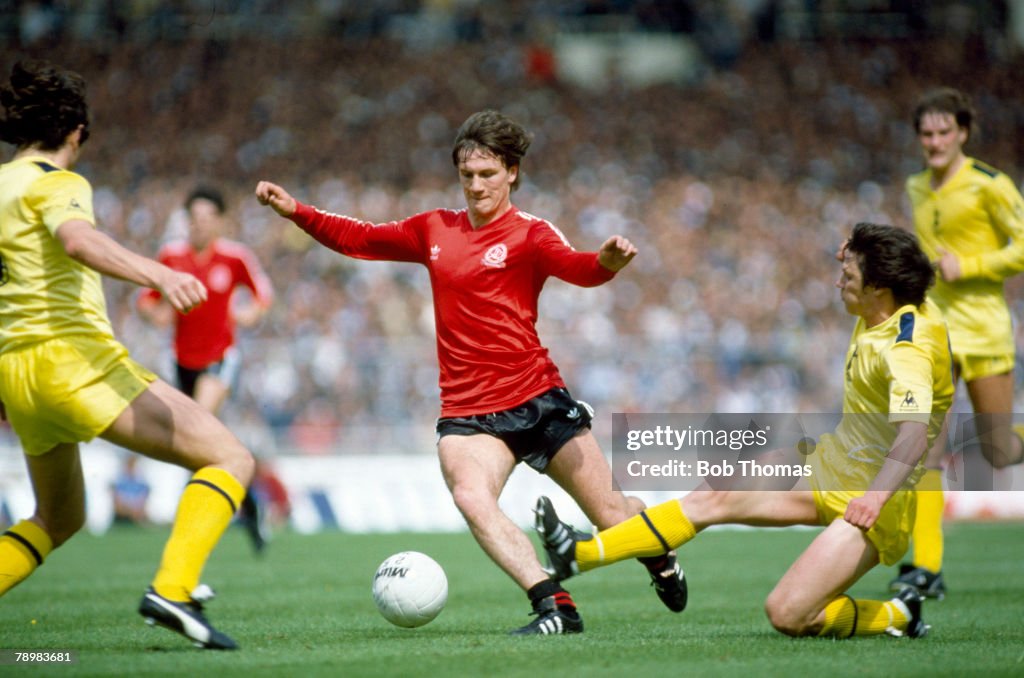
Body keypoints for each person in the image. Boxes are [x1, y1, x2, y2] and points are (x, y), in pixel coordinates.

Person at [255, 109, 686, 634]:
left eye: (487, 174)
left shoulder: (530, 233)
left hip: (538, 398)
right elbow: (360, 238)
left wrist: (608, 263)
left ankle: (659, 559)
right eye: (467, 175)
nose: (476, 185)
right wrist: (295, 210)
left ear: (511, 173)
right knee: (470, 495)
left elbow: (579, 268)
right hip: (469, 411)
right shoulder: (435, 228)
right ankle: (554, 605)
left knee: (613, 516)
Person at [536, 222, 953, 640]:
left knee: (789, 614)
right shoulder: (887, 301)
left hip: (874, 497)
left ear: (880, 288)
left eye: (848, 277)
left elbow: (913, 435)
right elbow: (904, 269)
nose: (837, 281)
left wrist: (876, 497)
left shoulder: (907, 351)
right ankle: (580, 555)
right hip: (830, 462)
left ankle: (898, 615)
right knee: (714, 493)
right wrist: (860, 251)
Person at [0, 58, 253, 650]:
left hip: (15, 372)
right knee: (229, 457)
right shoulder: (57, 182)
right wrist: (157, 273)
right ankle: (174, 587)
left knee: (57, 518)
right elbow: (78, 240)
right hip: (73, 360)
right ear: (77, 132)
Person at [894, 87, 1024, 598]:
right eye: (926, 133)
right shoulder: (916, 187)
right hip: (934, 333)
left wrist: (968, 266)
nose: (935, 141)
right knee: (926, 448)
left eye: (944, 131)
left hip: (985, 329)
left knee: (998, 450)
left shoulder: (990, 185)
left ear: (963, 133)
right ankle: (926, 568)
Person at [137, 186, 274, 553]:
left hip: (220, 357)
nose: (199, 226)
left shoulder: (234, 257)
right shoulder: (171, 255)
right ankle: (250, 503)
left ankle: (187, 526)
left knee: (195, 423)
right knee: (208, 443)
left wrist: (249, 313)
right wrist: (159, 313)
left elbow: (263, 293)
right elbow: (146, 301)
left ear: (220, 221)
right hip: (181, 361)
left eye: (206, 219)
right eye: (193, 219)